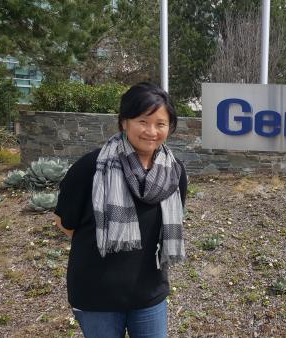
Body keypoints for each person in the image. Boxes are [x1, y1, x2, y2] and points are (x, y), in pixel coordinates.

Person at [54, 82, 187, 338]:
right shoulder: (92, 167)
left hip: (149, 294)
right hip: (96, 295)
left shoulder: (174, 173)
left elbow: (169, 224)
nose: (151, 131)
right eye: (142, 121)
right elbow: (65, 222)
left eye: (161, 124)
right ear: (124, 121)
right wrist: (107, 239)